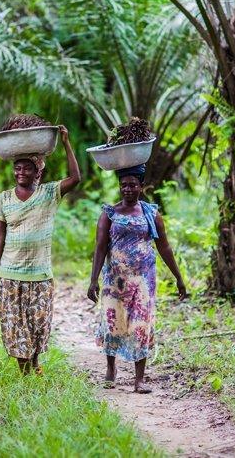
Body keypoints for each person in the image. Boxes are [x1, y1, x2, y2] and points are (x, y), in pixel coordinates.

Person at [0, 125, 81, 374]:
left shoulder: (49, 193)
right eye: (17, 168)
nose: (21, 172)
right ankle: (25, 372)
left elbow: (75, 178)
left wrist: (66, 142)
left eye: (27, 168)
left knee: (39, 324)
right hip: (10, 274)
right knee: (16, 325)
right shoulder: (4, 199)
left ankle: (35, 362)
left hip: (40, 274)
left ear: (37, 170)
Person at [86, 163, 188, 393]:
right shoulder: (109, 214)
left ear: (142, 186)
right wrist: (93, 280)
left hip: (143, 280)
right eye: (124, 185)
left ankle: (139, 379)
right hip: (115, 280)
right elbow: (100, 248)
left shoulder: (151, 214)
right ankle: (110, 369)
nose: (128, 189)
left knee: (141, 326)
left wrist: (179, 278)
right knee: (114, 323)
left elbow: (165, 247)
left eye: (133, 185)